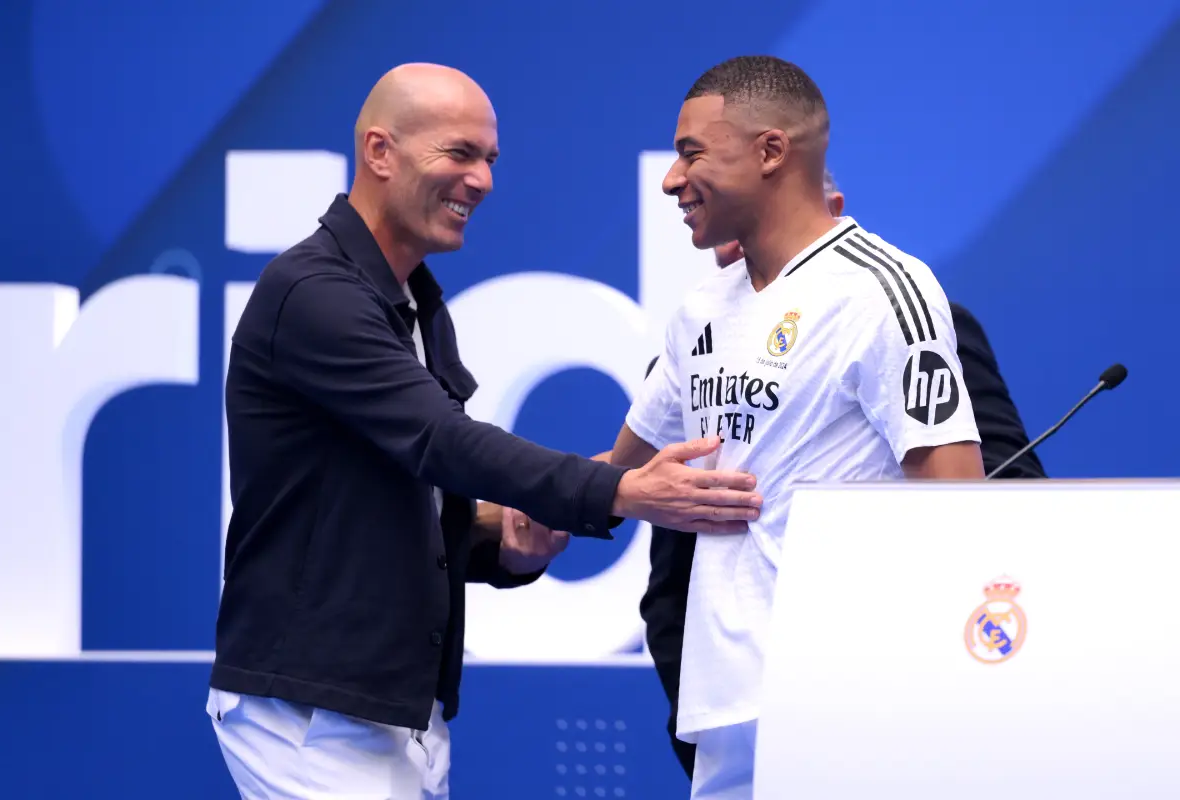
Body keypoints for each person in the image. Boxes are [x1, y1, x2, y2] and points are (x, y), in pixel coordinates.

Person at [206, 62, 764, 799]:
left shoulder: (413, 302)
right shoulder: (313, 293)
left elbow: (392, 504)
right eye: (460, 153)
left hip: (396, 714)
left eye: (490, 159)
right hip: (312, 714)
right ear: (379, 151)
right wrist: (619, 491)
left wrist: (501, 539)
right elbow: (442, 442)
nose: (483, 181)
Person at [607, 55, 985, 798]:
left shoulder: (882, 290)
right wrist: (498, 513)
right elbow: (616, 476)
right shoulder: (700, 311)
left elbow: (959, 508)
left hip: (850, 705)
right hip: (723, 707)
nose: (672, 179)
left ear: (771, 151)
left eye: (691, 153)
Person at [639, 168, 1046, 780]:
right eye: (730, 235)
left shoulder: (905, 316)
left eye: (755, 223)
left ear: (828, 210)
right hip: (732, 723)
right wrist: (703, 731)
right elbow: (672, 579)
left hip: (882, 698)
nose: (739, 250)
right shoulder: (693, 345)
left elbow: (1010, 492)